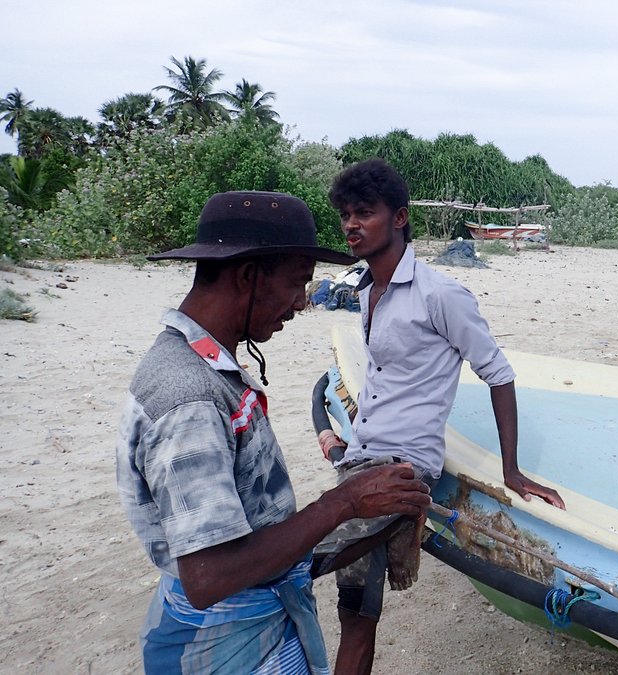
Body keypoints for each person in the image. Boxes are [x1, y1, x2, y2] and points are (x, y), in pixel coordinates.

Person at [115, 191, 433, 674]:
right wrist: (344, 502)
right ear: (247, 276)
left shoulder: (200, 363)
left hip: (250, 629)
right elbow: (210, 575)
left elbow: (250, 532)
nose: (301, 303)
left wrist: (374, 512)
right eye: (295, 284)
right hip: (228, 649)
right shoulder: (191, 398)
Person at [312, 158, 565, 674]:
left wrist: (511, 471)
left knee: (299, 556)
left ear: (401, 217)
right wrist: (342, 441)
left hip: (400, 468)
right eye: (345, 215)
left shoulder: (441, 294)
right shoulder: (366, 290)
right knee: (356, 610)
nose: (351, 225)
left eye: (366, 213)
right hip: (361, 458)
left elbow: (498, 373)